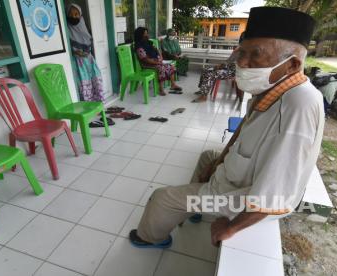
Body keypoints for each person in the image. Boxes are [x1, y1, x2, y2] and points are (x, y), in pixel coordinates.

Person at [129, 7, 324, 249]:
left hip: (243, 200)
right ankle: (195, 207)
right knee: (208, 157)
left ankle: (149, 238)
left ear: (292, 65)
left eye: (256, 55)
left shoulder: (298, 106)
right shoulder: (276, 87)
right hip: (238, 180)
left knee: (162, 198)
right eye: (242, 52)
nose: (242, 62)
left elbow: (277, 194)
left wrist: (230, 227)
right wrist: (219, 161)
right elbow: (245, 127)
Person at [191, 33, 244, 103]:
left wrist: (225, 65)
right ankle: (202, 90)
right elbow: (229, 61)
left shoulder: (246, 51)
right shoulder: (238, 49)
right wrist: (220, 65)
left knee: (209, 74)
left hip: (234, 72)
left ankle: (204, 96)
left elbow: (239, 65)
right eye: (242, 38)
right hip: (227, 68)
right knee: (206, 70)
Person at [66, 4, 104, 102]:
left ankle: (98, 105)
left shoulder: (84, 28)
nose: (74, 17)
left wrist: (86, 52)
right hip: (79, 64)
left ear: (80, 15)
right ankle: (88, 107)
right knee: (84, 86)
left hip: (89, 60)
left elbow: (89, 43)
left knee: (96, 82)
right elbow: (68, 47)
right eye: (71, 14)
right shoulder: (66, 31)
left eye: (76, 14)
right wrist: (75, 52)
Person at [134, 27, 182, 96]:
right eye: (145, 34)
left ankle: (173, 85)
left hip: (156, 60)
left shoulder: (149, 43)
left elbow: (157, 50)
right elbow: (145, 59)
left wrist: (161, 57)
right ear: (140, 35)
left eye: (147, 33)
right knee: (161, 68)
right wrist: (158, 62)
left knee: (170, 66)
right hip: (147, 64)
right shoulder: (139, 47)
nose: (147, 35)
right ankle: (160, 89)